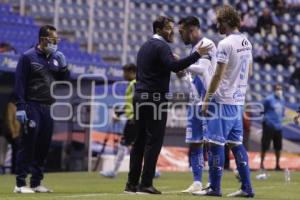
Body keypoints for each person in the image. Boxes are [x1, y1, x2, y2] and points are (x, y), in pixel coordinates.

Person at [124, 16, 212, 195]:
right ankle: (146, 184)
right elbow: (173, 66)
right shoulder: (162, 46)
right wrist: (197, 54)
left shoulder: (144, 47)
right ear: (158, 29)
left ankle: (131, 184)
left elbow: (165, 67)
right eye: (168, 28)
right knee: (153, 141)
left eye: (172, 28)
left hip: (139, 97)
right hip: (155, 99)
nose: (171, 31)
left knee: (139, 141)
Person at [197, 5, 254, 197]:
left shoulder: (225, 43)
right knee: (236, 144)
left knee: (215, 144)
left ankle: (214, 187)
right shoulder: (247, 42)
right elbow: (250, 72)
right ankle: (247, 188)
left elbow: (218, 75)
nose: (217, 25)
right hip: (238, 102)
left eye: (219, 22)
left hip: (222, 102)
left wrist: (207, 99)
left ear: (227, 21)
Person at [14, 25, 70, 193]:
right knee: (28, 144)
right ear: (43, 39)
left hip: (47, 107)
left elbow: (64, 80)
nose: (55, 42)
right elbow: (20, 83)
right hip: (32, 105)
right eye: (53, 39)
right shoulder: (27, 57)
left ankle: (36, 182)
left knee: (43, 146)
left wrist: (63, 66)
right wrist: (21, 106)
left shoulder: (53, 58)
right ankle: (20, 184)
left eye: (56, 40)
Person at [177, 16, 217, 194]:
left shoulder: (206, 44)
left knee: (210, 142)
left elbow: (202, 69)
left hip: (207, 101)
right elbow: (194, 74)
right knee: (195, 142)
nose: (180, 36)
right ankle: (197, 182)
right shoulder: (195, 48)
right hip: (195, 101)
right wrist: (183, 72)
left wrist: (181, 64)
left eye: (181, 32)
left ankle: (212, 182)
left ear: (191, 29)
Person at [260, 84, 285, 170]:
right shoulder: (268, 99)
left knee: (278, 147)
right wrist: (266, 120)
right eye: (278, 89)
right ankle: (261, 164)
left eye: (280, 89)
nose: (279, 91)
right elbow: (262, 110)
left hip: (278, 126)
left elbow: (282, 112)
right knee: (265, 145)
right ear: (274, 90)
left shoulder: (282, 100)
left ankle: (277, 165)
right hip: (269, 125)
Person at [2, 94, 21, 174]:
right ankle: (14, 170)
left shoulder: (19, 106)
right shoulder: (11, 105)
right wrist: (13, 133)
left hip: (18, 132)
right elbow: (9, 120)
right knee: (16, 151)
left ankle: (16, 170)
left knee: (17, 151)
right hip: (13, 133)